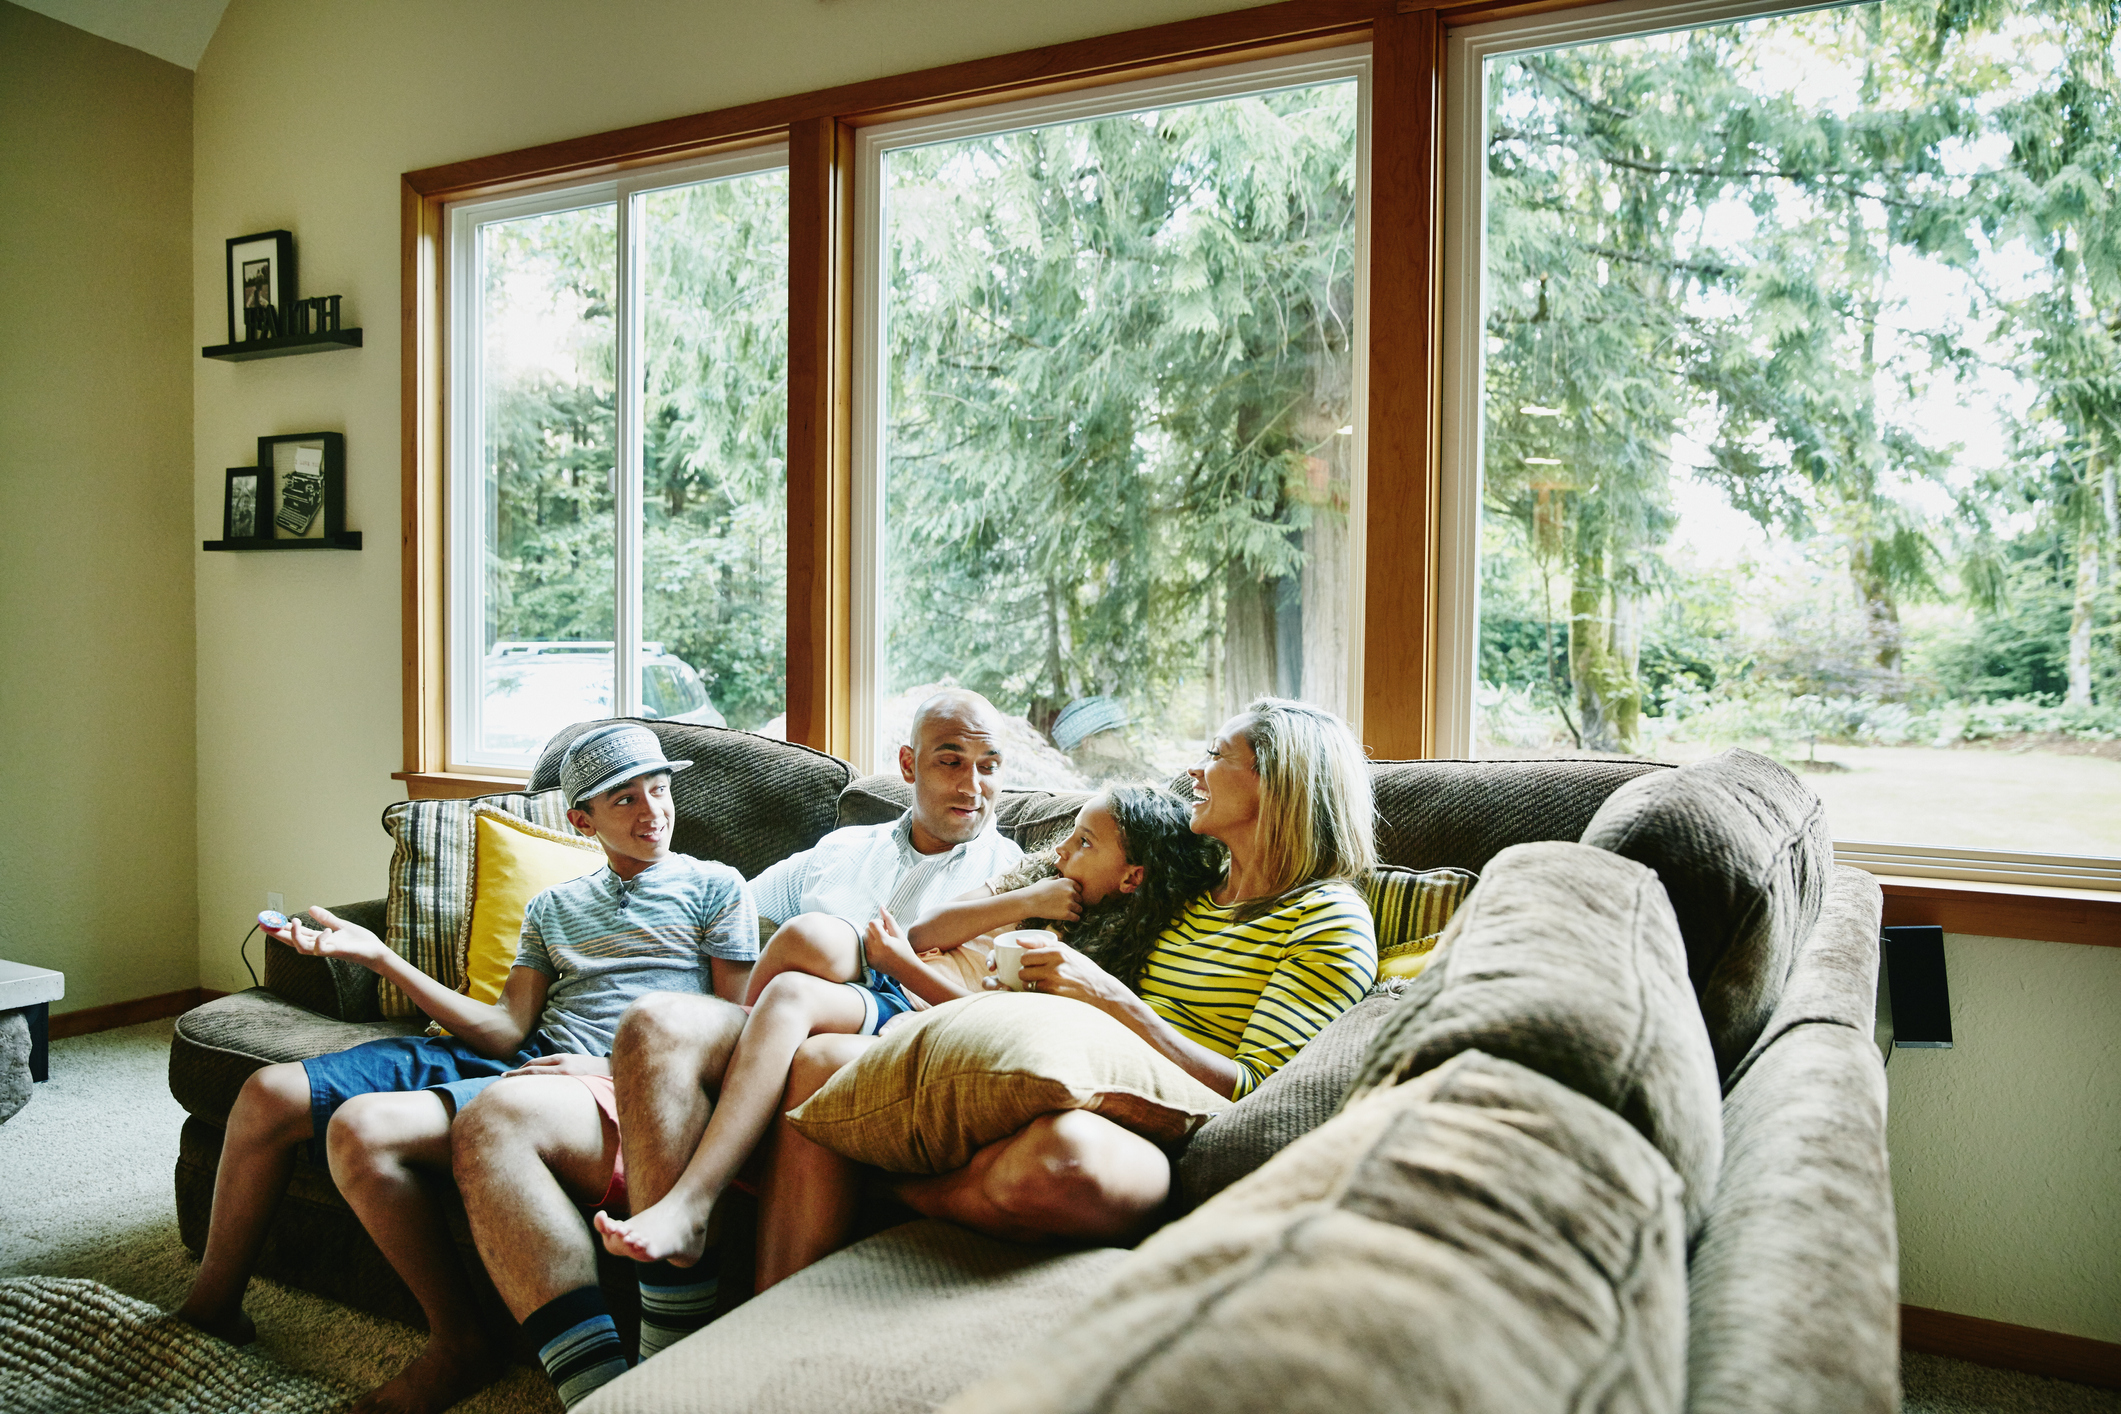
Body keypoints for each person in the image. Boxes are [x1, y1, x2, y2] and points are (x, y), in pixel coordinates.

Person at [450, 689, 1022, 1408]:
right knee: (640, 1029)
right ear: (908, 765)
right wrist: (617, 1050)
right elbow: (719, 920)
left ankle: (670, 1347)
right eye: (951, 762)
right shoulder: (842, 851)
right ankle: (625, 1383)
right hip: (763, 1032)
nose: (972, 785)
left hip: (861, 1044)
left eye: (989, 765)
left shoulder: (1009, 878)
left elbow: (990, 1014)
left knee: (809, 952)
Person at [175, 722, 756, 1414]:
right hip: (530, 1059)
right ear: (582, 820)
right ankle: (237, 1314)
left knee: (379, 1129)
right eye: (624, 799)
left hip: (621, 1081)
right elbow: (506, 1027)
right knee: (309, 1108)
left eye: (659, 790)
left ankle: (502, 1358)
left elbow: (731, 1030)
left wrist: (608, 1062)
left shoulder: (716, 886)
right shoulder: (554, 906)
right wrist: (381, 959)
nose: (651, 810)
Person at [750, 697, 1379, 1288]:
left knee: (1061, 1160)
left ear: (1278, 783)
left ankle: (876, 1185)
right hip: (1074, 1079)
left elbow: (1260, 1094)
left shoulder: (1327, 918)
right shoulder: (1193, 887)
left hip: (1171, 1132)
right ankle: (760, 1314)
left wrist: (1105, 996)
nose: (1195, 769)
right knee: (822, 1061)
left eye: (1217, 755)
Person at [591, 782, 1219, 1271]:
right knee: (788, 985)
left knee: (799, 1009)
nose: (1061, 851)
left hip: (925, 1019)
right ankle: (713, 1149)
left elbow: (982, 1024)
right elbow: (927, 931)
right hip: (899, 992)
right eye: (1070, 835)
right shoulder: (1035, 884)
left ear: (1132, 877)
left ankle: (696, 1198)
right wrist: (1026, 900)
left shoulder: (1086, 963)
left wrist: (901, 964)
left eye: (1084, 843)